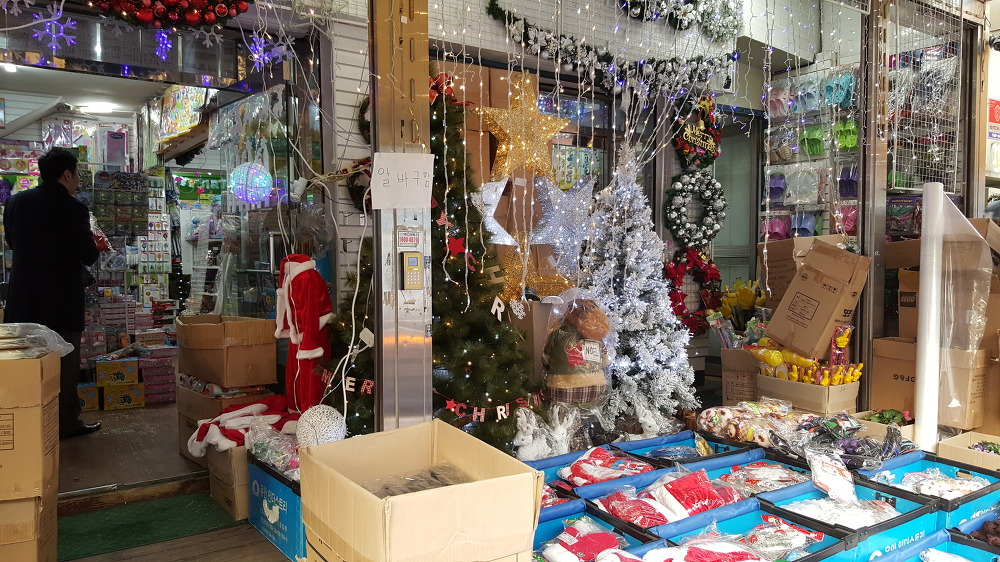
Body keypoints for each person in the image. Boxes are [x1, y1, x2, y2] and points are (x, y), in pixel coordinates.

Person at [4, 147, 101, 438]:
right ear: (67, 174)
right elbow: (87, 254)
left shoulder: (16, 202)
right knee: (64, 364)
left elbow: (12, 243)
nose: (79, 179)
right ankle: (66, 424)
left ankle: (24, 422)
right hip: (61, 300)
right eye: (77, 173)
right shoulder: (74, 208)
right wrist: (95, 243)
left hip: (23, 299)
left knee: (26, 363)